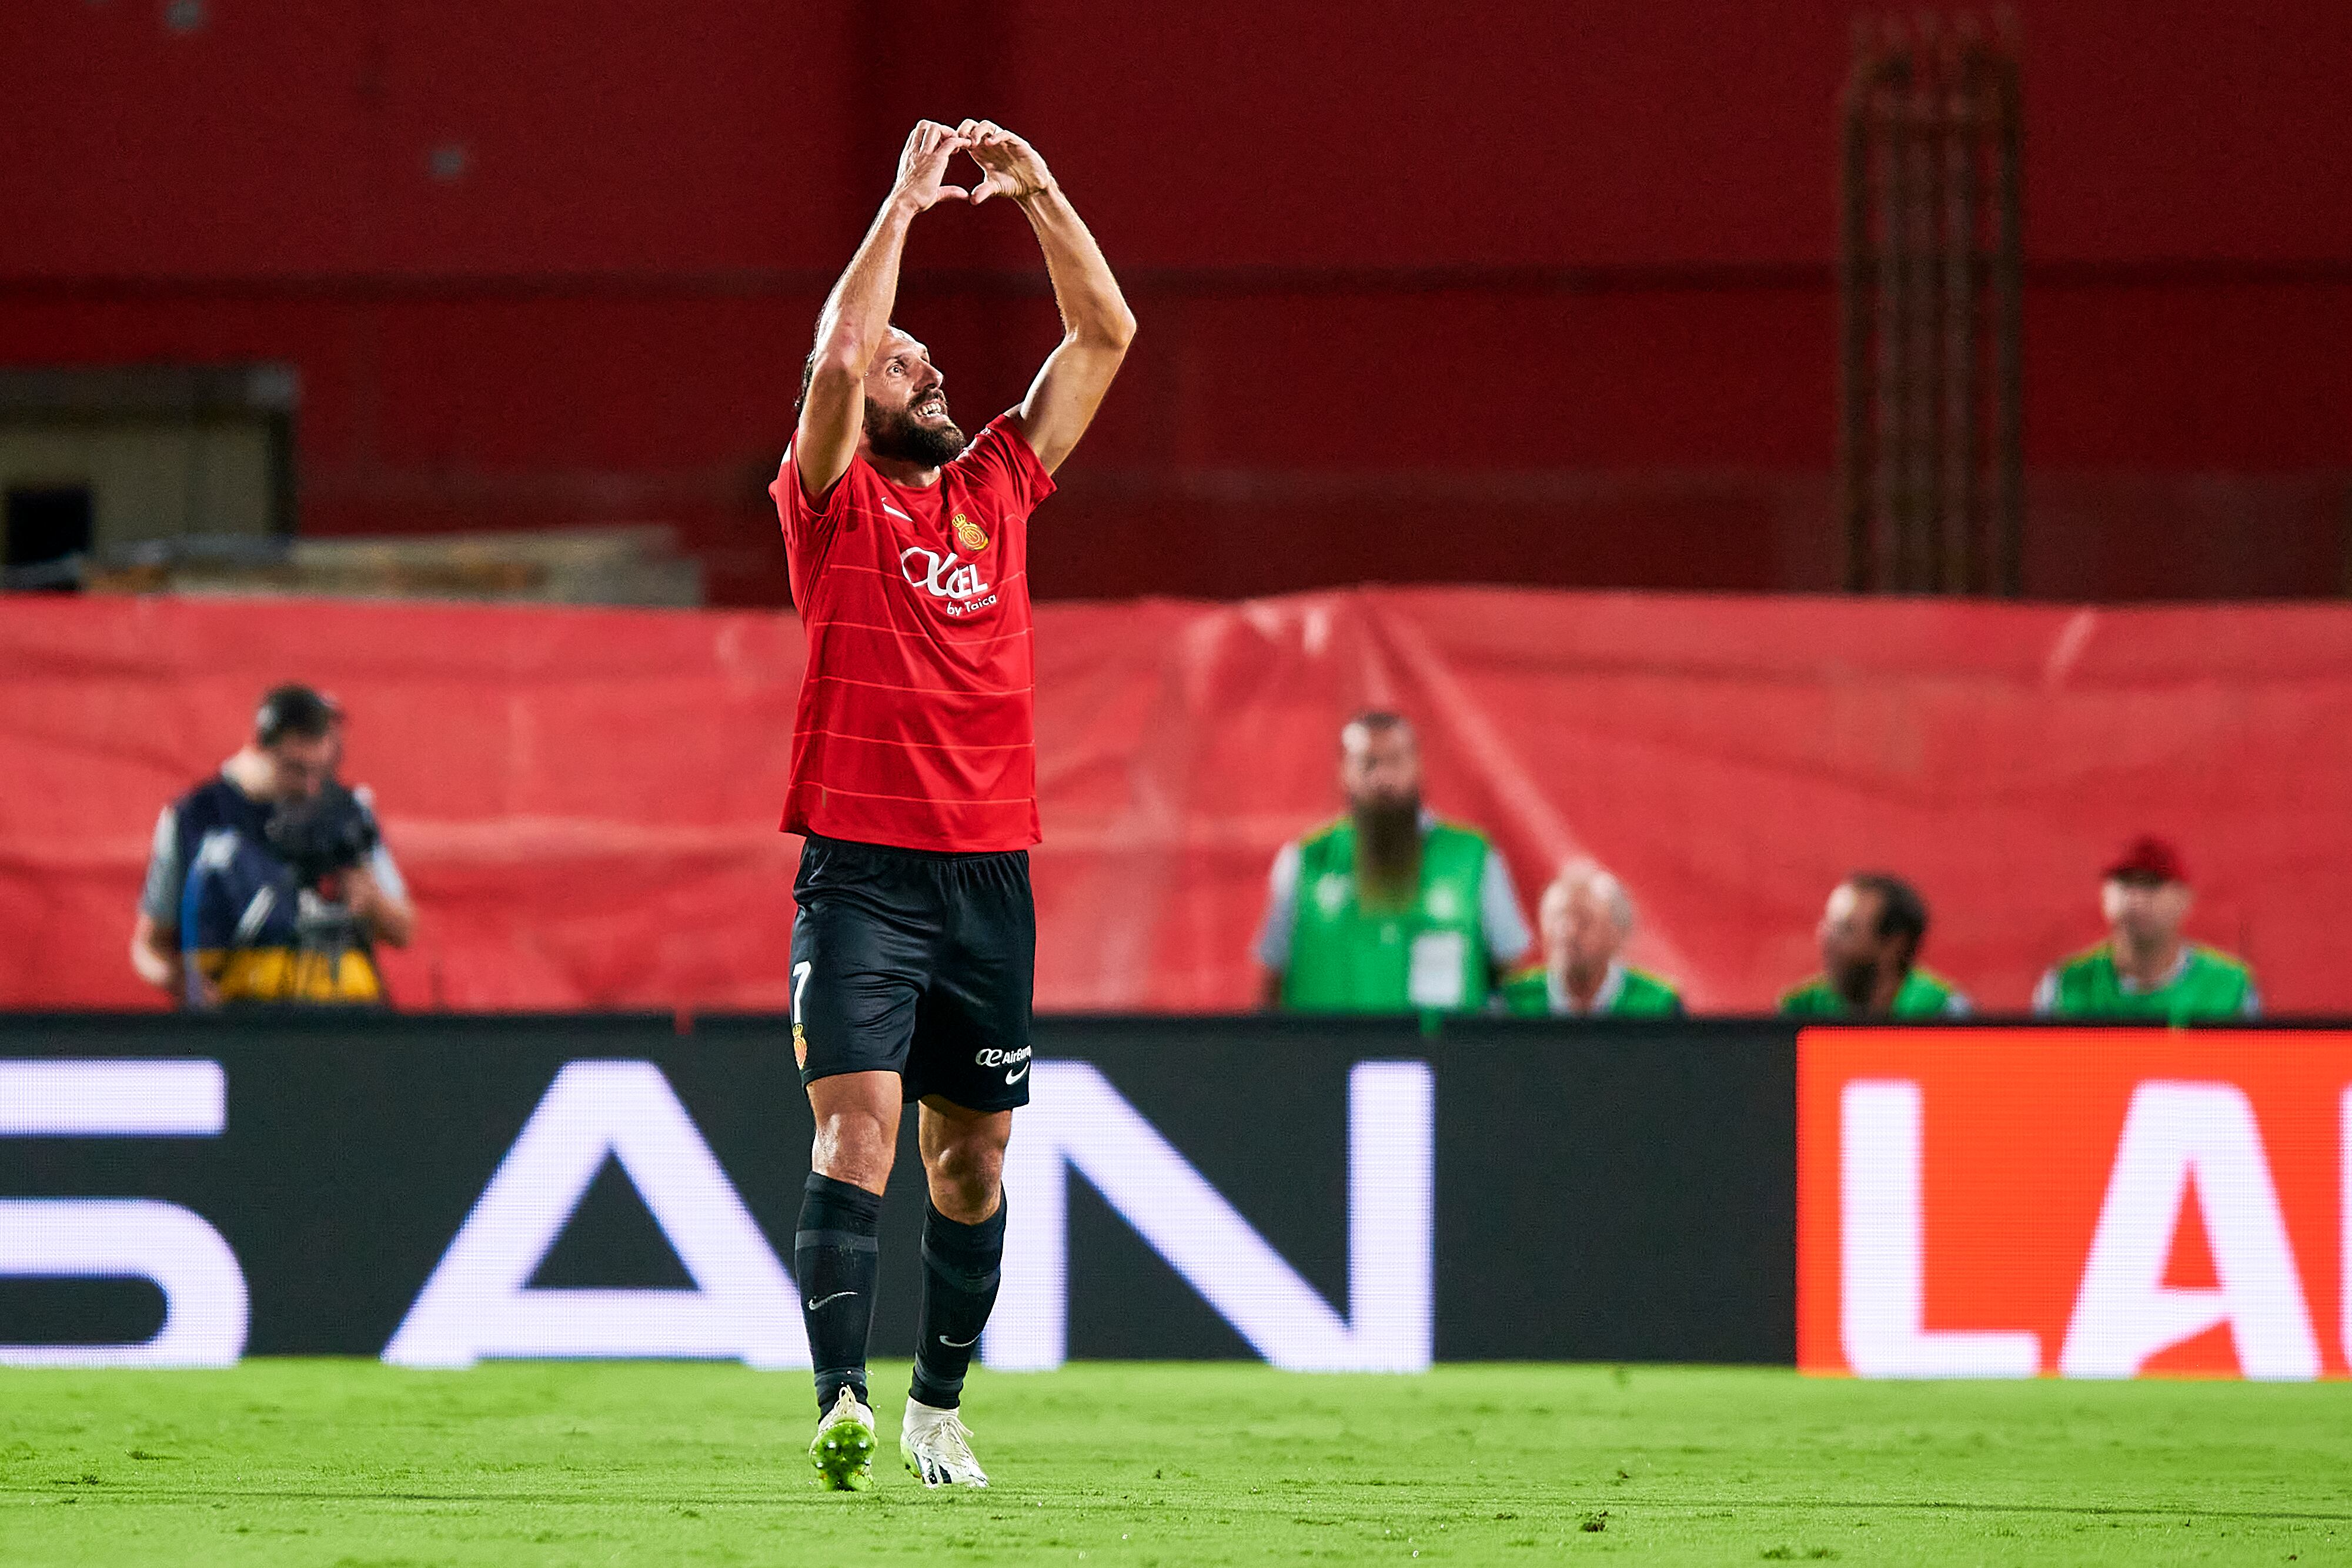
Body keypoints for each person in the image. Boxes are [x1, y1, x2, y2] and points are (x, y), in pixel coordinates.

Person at [769, 119, 1133, 1491]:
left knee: (968, 1165)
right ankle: (840, 1399)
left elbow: (1102, 337)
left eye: (931, 363)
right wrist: (906, 206)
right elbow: (841, 356)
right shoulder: (832, 503)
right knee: (856, 1128)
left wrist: (1039, 189)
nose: (934, 374)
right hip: (861, 870)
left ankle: (937, 1402)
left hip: (988, 873)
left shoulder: (995, 486)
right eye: (913, 362)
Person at [131, 683, 415, 1007]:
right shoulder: (195, 819)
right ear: (257, 746)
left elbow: (404, 930)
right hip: (243, 1026)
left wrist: (371, 899)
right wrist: (181, 982)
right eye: (295, 769)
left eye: (318, 771)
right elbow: (148, 947)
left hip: (345, 1022)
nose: (309, 787)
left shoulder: (348, 814)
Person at [1254, 711, 1531, 1014]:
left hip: (1440, 1059)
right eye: (1368, 763)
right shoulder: (1304, 863)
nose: (1382, 777)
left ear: (1418, 766)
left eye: (1395, 761)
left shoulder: (1474, 859)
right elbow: (1271, 986)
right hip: (1326, 1058)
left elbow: (1513, 979)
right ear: (1344, 772)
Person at [2033, 835, 2259, 1021]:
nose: (2136, 899)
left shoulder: (2229, 986)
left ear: (2184, 899)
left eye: (2152, 885)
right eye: (2125, 883)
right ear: (2105, 896)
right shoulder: (2065, 985)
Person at [1498, 858, 1683, 1017]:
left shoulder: (1658, 1005)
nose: (1567, 932)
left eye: (1584, 921)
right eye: (1556, 919)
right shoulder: (1514, 1001)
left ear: (1618, 934)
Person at [1779, 872, 1968, 1019]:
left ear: (1894, 945)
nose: (1827, 940)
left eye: (1846, 929)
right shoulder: (1802, 1010)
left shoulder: (1942, 1011)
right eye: (1829, 927)